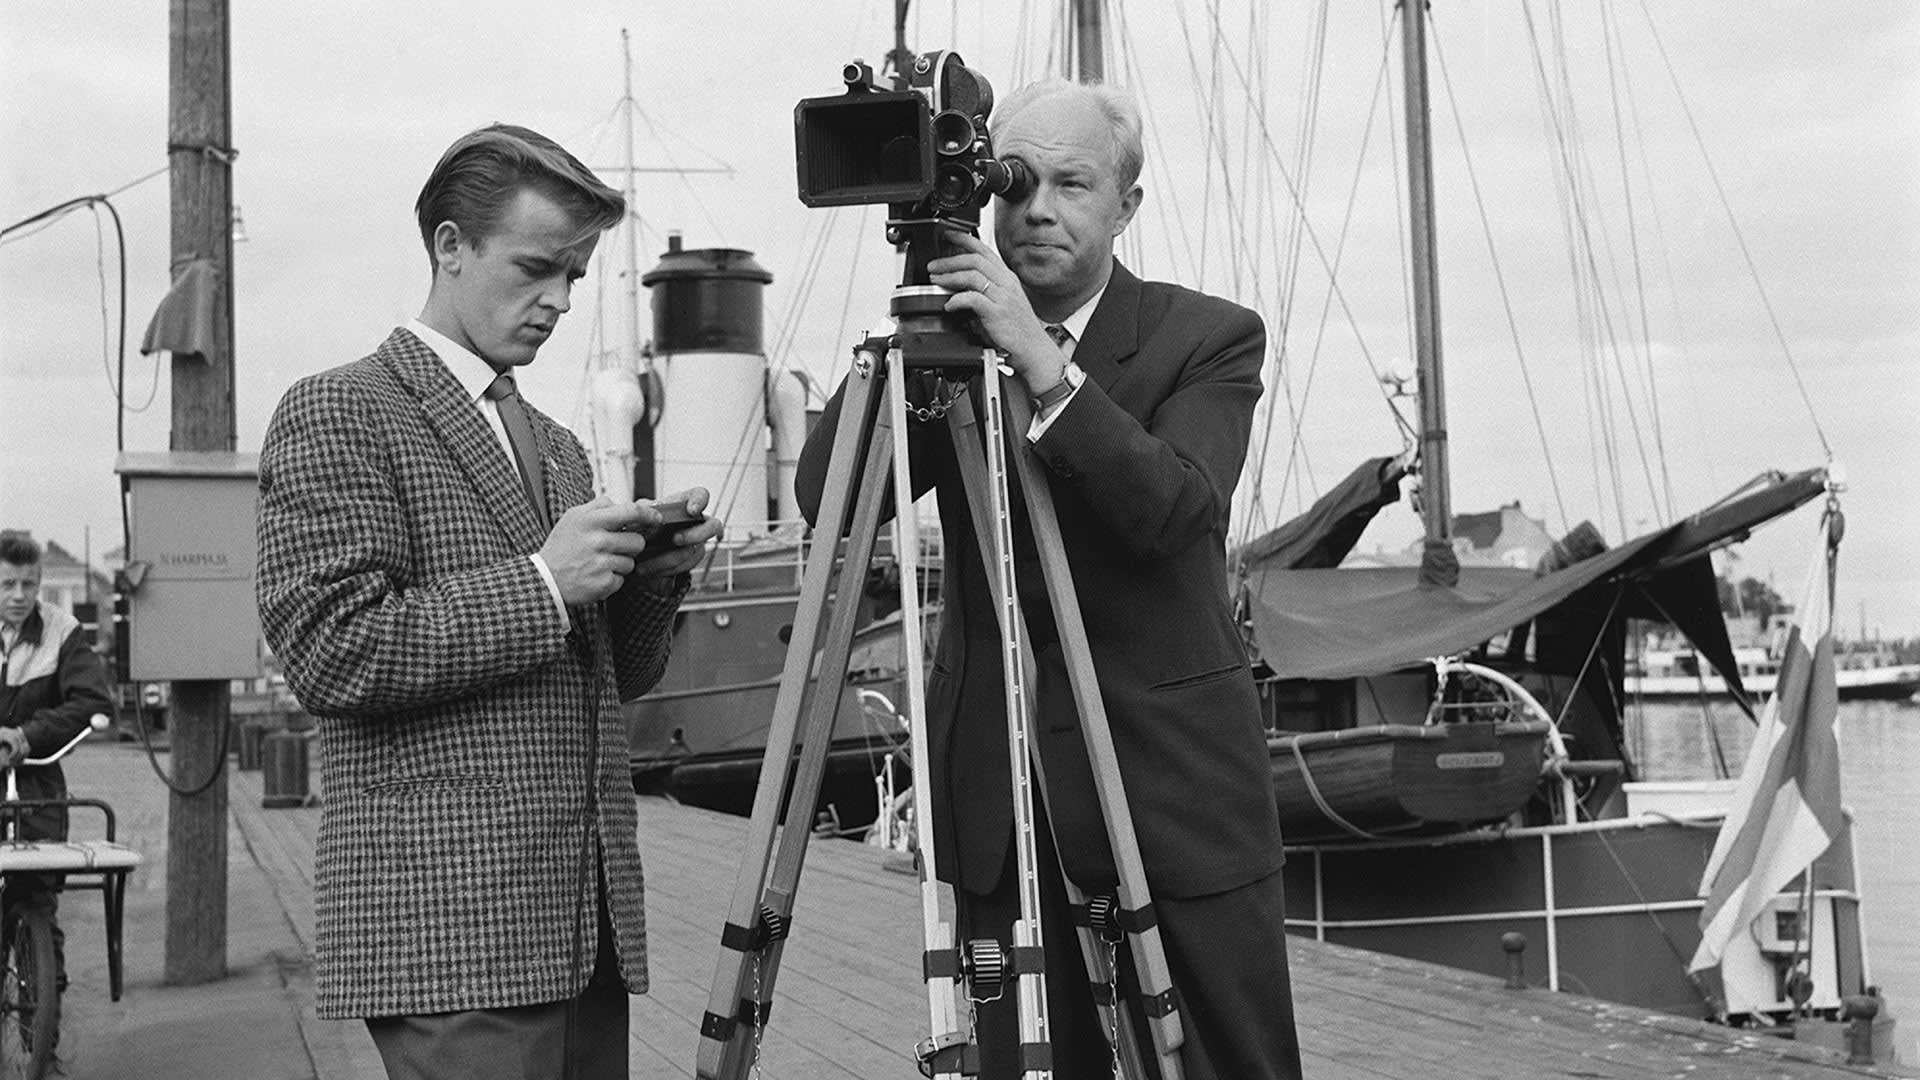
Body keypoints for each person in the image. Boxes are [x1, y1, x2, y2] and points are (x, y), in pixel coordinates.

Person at [797, 80, 1303, 1079]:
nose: (1038, 209)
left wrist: (1037, 359)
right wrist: (914, 326)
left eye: (1073, 184)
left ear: (1126, 205)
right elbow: (832, 496)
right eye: (1017, 181)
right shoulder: (947, 344)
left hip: (1172, 792)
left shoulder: (1207, 337)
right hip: (1003, 798)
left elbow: (1173, 512)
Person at [255, 123, 721, 1080]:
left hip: (584, 928)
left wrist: (649, 578)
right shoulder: (340, 409)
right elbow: (330, 650)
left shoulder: (559, 447)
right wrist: (545, 581)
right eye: (537, 267)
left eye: (574, 276)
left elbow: (614, 680)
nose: (559, 300)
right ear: (450, 247)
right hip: (448, 929)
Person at [0, 531, 116, 1015]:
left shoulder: (61, 630)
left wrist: (25, 736)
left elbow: (92, 701)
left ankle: (44, 1013)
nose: (19, 595)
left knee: (38, 895)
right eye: (7, 584)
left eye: (28, 584)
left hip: (37, 786)